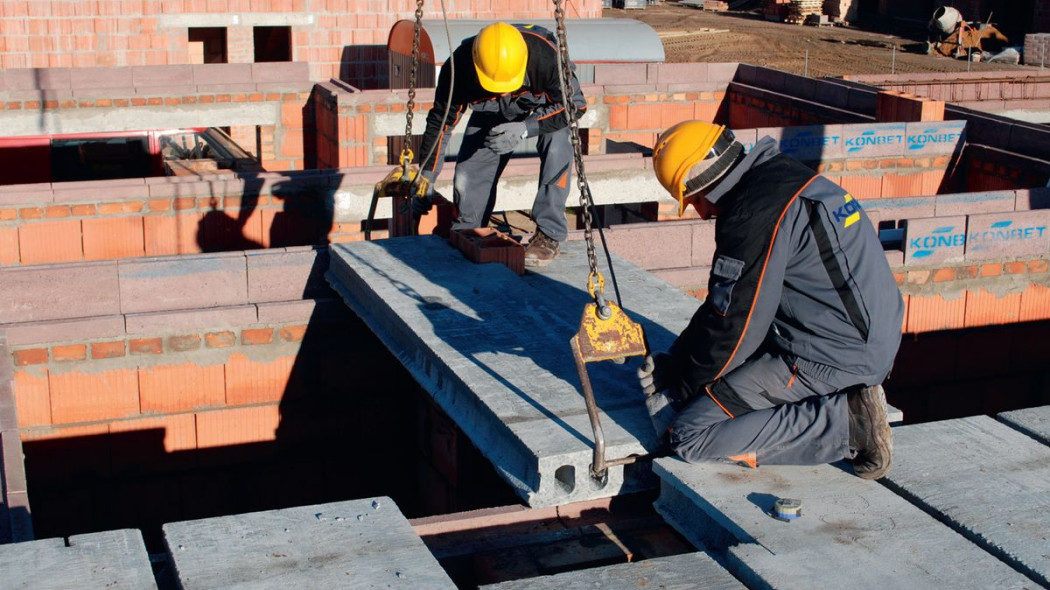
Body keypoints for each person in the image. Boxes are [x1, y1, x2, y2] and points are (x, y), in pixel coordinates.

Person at [638, 120, 905, 480]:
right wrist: (679, 361)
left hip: (835, 358)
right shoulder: (781, 177)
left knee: (689, 434)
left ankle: (849, 422)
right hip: (857, 337)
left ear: (706, 183)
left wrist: (684, 391)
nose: (701, 213)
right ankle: (844, 409)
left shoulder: (752, 215)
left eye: (696, 200)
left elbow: (735, 326)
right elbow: (725, 305)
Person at [414, 21, 586, 267]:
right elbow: (441, 124)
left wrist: (527, 128)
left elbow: (575, 106)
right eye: (498, 88)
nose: (505, 93)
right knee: (469, 169)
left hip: (541, 110)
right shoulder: (459, 68)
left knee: (559, 144)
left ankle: (549, 234)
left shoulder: (546, 57)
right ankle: (470, 231)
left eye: (508, 87)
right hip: (490, 110)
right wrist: (426, 177)